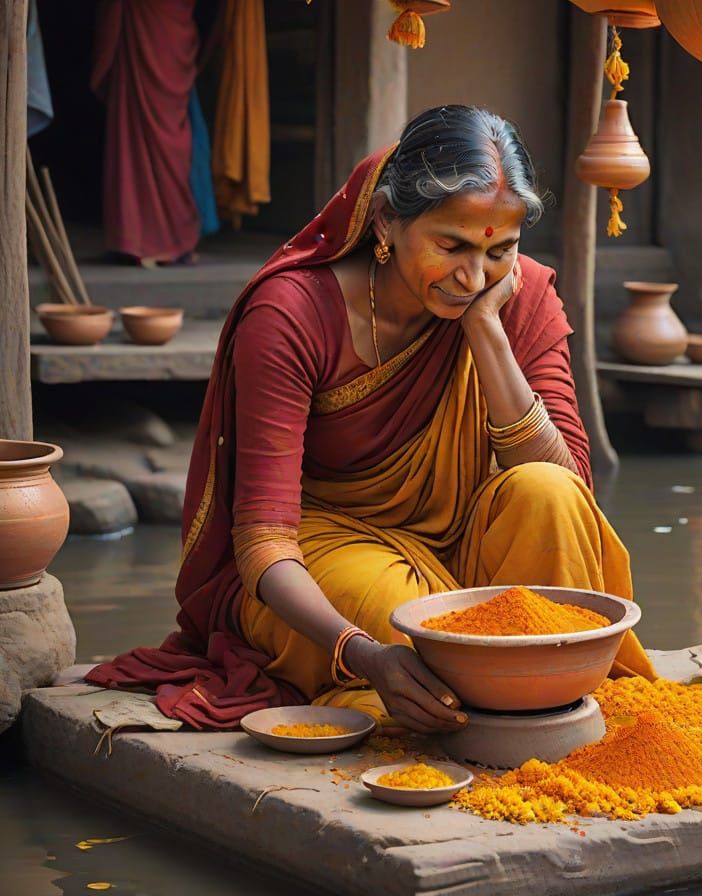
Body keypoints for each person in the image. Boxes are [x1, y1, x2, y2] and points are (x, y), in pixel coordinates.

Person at [87, 106, 656, 732]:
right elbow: (264, 543)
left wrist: (486, 332)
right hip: (327, 555)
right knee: (421, 645)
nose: (474, 276)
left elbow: (572, 489)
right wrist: (363, 655)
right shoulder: (291, 315)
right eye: (452, 245)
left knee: (545, 494)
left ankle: (538, 690)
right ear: (386, 220)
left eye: (501, 249)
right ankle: (506, 693)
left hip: (469, 546)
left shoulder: (518, 297)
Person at [91, 0, 201, 266]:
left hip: (141, 68)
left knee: (131, 148)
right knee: (168, 151)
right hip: (171, 58)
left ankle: (136, 241)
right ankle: (170, 242)